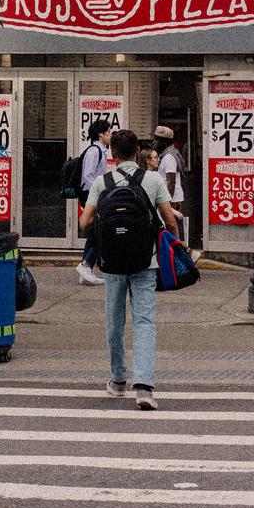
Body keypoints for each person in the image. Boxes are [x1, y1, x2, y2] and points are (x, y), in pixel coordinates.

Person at [79, 128, 179, 409]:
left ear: (112, 155)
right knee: (144, 321)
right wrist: (174, 243)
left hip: (112, 263)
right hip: (145, 261)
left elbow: (84, 223)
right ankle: (144, 387)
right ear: (137, 152)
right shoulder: (153, 179)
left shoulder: (102, 182)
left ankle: (119, 378)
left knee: (114, 321)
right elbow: (170, 222)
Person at [76, 118, 113, 285]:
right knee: (98, 230)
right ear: (101, 134)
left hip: (92, 194)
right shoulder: (94, 151)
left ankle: (87, 267)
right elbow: (88, 175)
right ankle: (86, 265)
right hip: (90, 194)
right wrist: (99, 193)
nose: (110, 136)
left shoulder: (99, 151)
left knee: (94, 230)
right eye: (108, 133)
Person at [154, 125, 187, 222]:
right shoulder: (166, 154)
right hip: (171, 200)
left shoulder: (169, 157)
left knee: (171, 227)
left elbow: (171, 181)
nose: (154, 143)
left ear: (164, 142)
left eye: (156, 140)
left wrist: (167, 204)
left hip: (171, 201)